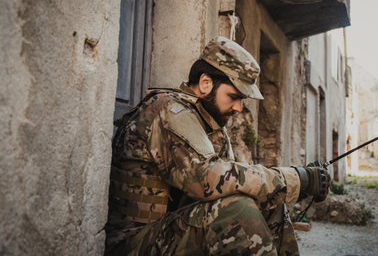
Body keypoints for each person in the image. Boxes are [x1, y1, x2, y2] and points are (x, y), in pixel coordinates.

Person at [105, 36, 331, 255]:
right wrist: (293, 179)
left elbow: (235, 182)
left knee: (270, 204)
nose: (239, 107)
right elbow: (207, 178)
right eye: (234, 96)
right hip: (135, 243)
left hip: (168, 231)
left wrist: (293, 185)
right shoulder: (168, 111)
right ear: (206, 83)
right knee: (236, 211)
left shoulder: (207, 121)